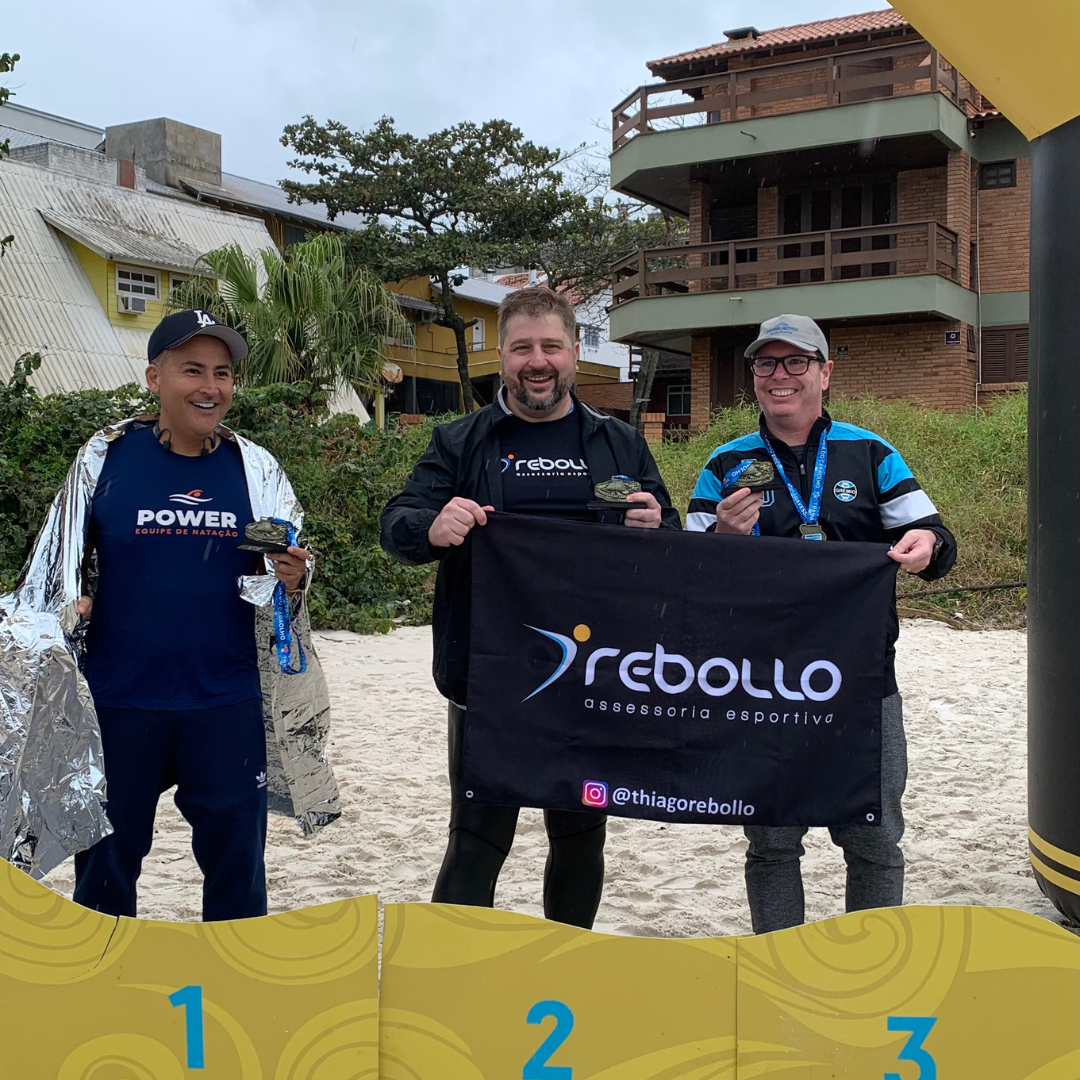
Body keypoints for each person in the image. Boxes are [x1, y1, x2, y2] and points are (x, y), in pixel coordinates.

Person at [381, 287, 680, 928]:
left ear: (573, 354)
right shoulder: (459, 441)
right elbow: (397, 524)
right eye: (522, 348)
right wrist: (432, 525)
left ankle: (565, 967)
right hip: (487, 683)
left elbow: (671, 542)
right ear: (502, 357)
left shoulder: (619, 443)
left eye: (550, 347)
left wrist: (657, 528)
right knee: (475, 842)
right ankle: (452, 971)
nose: (536, 362)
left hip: (593, 678)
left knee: (579, 841)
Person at [59, 309, 335, 921]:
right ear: (155, 378)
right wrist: (68, 603)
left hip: (226, 701)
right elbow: (58, 564)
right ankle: (102, 977)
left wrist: (294, 577)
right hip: (119, 699)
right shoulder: (104, 459)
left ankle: (234, 977)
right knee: (104, 869)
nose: (210, 386)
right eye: (192, 370)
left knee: (238, 868)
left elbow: (286, 576)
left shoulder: (254, 468)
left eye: (222, 373)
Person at [686, 313, 957, 934]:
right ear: (754, 375)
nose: (779, 375)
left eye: (796, 361)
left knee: (875, 840)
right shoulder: (725, 462)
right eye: (766, 363)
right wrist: (723, 537)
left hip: (862, 683)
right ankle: (779, 967)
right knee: (772, 843)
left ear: (825, 373)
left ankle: (871, 964)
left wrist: (926, 544)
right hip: (760, 683)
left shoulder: (872, 453)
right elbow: (690, 573)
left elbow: (937, 539)